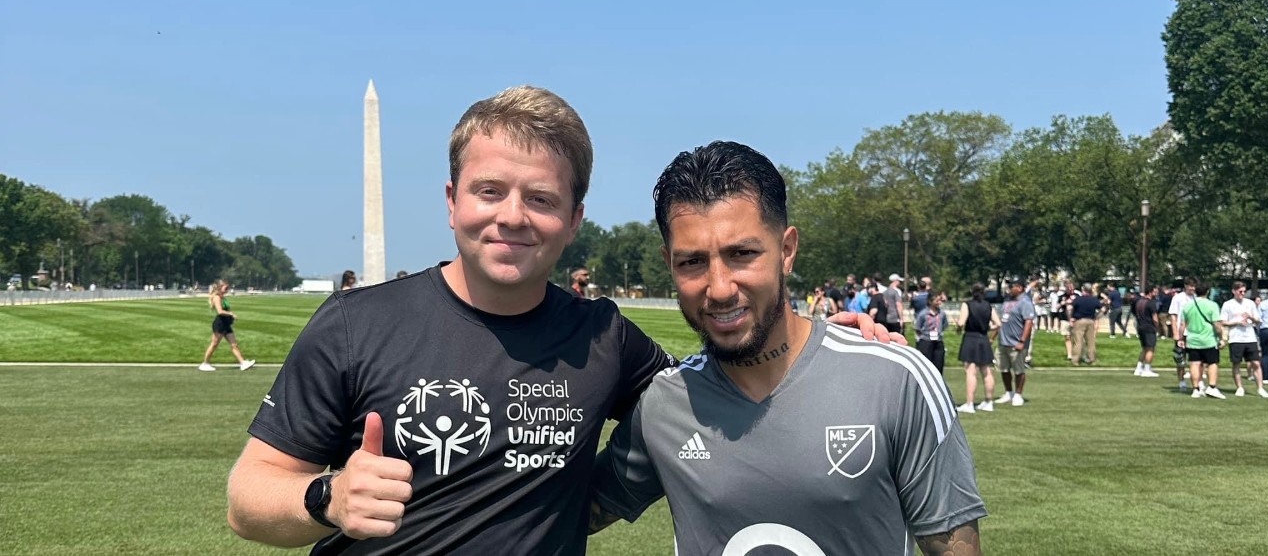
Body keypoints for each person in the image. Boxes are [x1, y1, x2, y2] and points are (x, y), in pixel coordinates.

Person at [225, 87, 892, 555]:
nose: (512, 216)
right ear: (452, 201)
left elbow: (718, 386)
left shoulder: (606, 337)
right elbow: (247, 498)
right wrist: (329, 497)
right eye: (489, 191)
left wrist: (821, 344)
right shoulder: (355, 323)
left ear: (573, 220)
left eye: (541, 199)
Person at [590, 140, 985, 555]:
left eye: (742, 254)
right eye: (692, 262)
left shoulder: (896, 380)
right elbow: (562, 513)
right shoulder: (665, 405)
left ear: (787, 251)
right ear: (669, 263)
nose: (720, 288)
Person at [956, 284, 1001, 412]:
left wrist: (958, 326)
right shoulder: (988, 306)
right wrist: (987, 328)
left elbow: (961, 322)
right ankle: (989, 402)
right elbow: (998, 324)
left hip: (971, 338)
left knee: (971, 371)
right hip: (983, 338)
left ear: (972, 291)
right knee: (986, 371)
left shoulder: (967, 305)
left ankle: (969, 404)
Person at [1220, 281, 1268, 397]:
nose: (1242, 294)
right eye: (1240, 291)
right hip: (1235, 338)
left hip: (1250, 337)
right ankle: (1239, 387)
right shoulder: (1228, 304)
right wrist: (1237, 322)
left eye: (1244, 291)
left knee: (1256, 363)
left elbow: (1258, 320)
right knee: (1236, 363)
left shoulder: (1250, 303)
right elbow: (1223, 322)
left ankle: (1260, 388)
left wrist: (1250, 316)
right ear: (1234, 291)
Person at [1179, 281, 1226, 399]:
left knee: (1194, 363)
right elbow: (1217, 324)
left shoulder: (1188, 305)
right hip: (1209, 339)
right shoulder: (1212, 305)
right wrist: (1221, 337)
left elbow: (1183, 324)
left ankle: (1196, 388)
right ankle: (1212, 386)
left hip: (1192, 339)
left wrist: (1180, 338)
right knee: (1212, 363)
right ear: (1208, 291)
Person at [198, 280, 256, 372]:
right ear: (220, 288)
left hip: (226, 324)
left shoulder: (223, 298)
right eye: (225, 288)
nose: (227, 290)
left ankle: (243, 363)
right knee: (214, 344)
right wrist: (231, 314)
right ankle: (205, 363)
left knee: (234, 344)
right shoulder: (217, 297)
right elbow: (220, 311)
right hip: (220, 324)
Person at [995, 279, 1036, 406]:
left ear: (1019, 287)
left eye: (1012, 286)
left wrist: (1022, 341)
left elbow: (1028, 322)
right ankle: (1008, 392)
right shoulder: (1007, 301)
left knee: (1018, 370)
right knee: (1004, 368)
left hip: (1016, 342)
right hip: (1003, 341)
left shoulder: (1025, 302)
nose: (1009, 289)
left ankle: (1018, 394)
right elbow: (1002, 320)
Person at [1169, 281, 1197, 389]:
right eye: (1191, 286)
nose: (1192, 288)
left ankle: (1197, 381)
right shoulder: (1178, 298)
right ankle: (1181, 381)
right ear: (1186, 286)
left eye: (1194, 286)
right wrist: (1175, 333)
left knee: (1196, 359)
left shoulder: (1196, 298)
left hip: (1194, 332)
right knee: (1180, 358)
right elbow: (1173, 315)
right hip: (1182, 333)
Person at [914, 290, 949, 376]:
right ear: (930, 301)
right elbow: (918, 328)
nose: (939, 302)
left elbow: (944, 325)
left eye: (940, 300)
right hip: (926, 341)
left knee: (939, 366)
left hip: (938, 341)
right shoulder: (923, 314)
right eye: (937, 300)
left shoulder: (942, 314)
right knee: (926, 366)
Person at [1067, 284, 1102, 366]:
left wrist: (1070, 318)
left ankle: (1075, 360)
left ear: (1083, 289)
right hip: (1090, 321)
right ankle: (1092, 359)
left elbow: (1069, 308)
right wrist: (1096, 317)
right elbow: (1103, 309)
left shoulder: (1078, 299)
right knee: (1091, 342)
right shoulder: (1094, 300)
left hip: (1079, 321)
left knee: (1078, 341)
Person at [1131, 286, 1161, 378]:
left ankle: (1139, 368)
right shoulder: (1151, 303)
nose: (1156, 293)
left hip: (1140, 326)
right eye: (1155, 292)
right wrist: (1158, 327)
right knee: (1150, 348)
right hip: (1149, 327)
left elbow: (1134, 312)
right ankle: (1147, 369)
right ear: (1150, 292)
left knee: (1144, 348)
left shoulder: (1138, 301)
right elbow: (1155, 318)